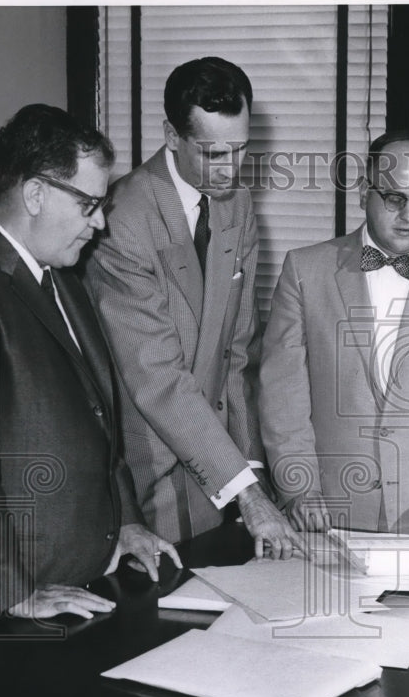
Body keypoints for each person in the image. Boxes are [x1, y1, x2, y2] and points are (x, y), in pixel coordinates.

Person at [0, 104, 181, 620]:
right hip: (22, 599)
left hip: (92, 578)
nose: (99, 223)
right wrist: (13, 593)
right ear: (35, 194)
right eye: (90, 204)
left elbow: (99, 419)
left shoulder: (64, 277)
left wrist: (128, 523)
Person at [85, 57, 302, 558]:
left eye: (241, 149)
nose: (231, 169)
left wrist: (254, 475)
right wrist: (246, 492)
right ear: (172, 136)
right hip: (152, 474)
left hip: (225, 474)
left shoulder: (236, 202)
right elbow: (158, 379)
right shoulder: (123, 221)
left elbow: (236, 357)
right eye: (214, 154)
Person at [259, 132, 409, 537]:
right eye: (394, 198)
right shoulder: (304, 271)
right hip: (325, 515)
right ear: (362, 192)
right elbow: (282, 399)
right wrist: (299, 489)